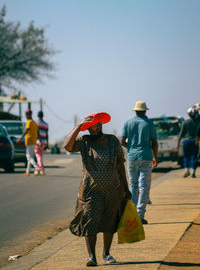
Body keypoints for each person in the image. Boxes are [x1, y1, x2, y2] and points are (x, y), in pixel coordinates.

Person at [64, 112, 131, 267]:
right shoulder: (84, 141)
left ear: (101, 125)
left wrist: (126, 188)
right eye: (90, 128)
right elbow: (67, 145)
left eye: (96, 126)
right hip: (90, 191)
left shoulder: (113, 141)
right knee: (90, 221)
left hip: (113, 190)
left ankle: (106, 254)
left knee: (110, 222)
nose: (94, 130)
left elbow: (120, 164)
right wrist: (78, 126)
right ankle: (91, 257)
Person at [120, 101, 158, 224]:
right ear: (145, 111)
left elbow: (122, 141)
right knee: (143, 186)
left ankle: (131, 215)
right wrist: (155, 157)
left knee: (133, 185)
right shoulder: (149, 124)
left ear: (135, 111)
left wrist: (131, 148)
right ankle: (140, 215)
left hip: (132, 157)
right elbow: (154, 142)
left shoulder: (128, 123)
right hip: (146, 157)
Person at [177, 107, 200, 178]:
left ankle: (187, 170)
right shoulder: (198, 122)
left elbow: (181, 133)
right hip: (195, 141)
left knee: (186, 156)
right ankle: (193, 172)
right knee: (194, 156)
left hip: (186, 141)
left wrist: (178, 142)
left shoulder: (185, 122)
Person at [17, 109, 39, 176]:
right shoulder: (35, 122)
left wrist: (20, 138)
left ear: (29, 114)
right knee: (31, 157)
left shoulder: (29, 122)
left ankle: (37, 167)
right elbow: (37, 132)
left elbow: (26, 130)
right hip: (34, 141)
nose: (26, 116)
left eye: (26, 114)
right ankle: (28, 171)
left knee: (28, 156)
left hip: (29, 141)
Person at [34, 111, 49, 175]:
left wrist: (39, 141)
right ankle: (37, 171)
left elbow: (37, 133)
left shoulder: (36, 123)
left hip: (38, 142)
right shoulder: (46, 124)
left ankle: (42, 169)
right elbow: (47, 134)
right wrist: (47, 144)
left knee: (38, 155)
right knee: (40, 156)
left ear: (37, 115)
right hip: (44, 142)